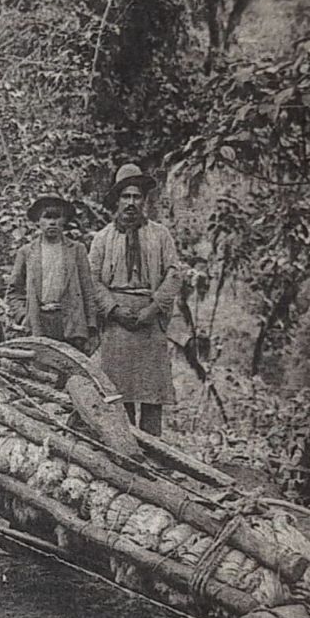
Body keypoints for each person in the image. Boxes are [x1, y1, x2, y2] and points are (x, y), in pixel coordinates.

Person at [88, 164, 182, 436]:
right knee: (119, 395)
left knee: (152, 395)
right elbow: (92, 279)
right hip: (117, 325)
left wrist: (153, 309)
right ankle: (128, 457)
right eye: (125, 196)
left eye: (136, 197)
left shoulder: (160, 235)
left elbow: (174, 274)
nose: (131, 203)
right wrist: (114, 310)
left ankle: (156, 458)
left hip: (149, 322)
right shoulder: (103, 238)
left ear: (144, 201)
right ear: (116, 200)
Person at [7, 191, 98, 352]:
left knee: (70, 369)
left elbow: (87, 290)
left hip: (70, 322)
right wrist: (23, 316)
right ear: (38, 221)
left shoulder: (77, 250)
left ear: (64, 221)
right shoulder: (27, 252)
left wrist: (91, 326)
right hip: (38, 322)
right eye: (47, 217)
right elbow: (14, 291)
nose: (52, 223)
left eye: (57, 217)